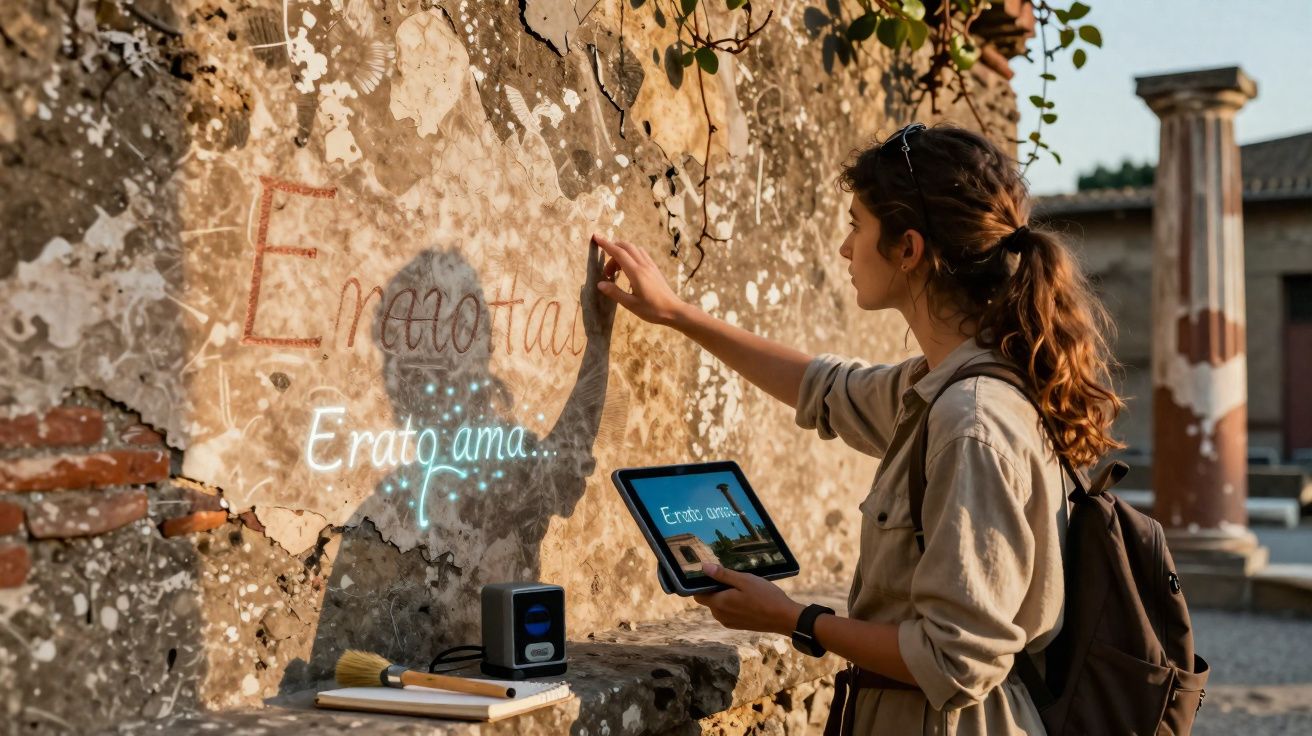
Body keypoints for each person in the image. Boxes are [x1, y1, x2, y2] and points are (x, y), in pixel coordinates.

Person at [587, 121, 1127, 734]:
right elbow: (825, 387)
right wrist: (677, 314)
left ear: (909, 249)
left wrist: (795, 618)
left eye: (857, 225)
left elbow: (956, 662)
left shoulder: (970, 419)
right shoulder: (946, 386)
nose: (846, 248)